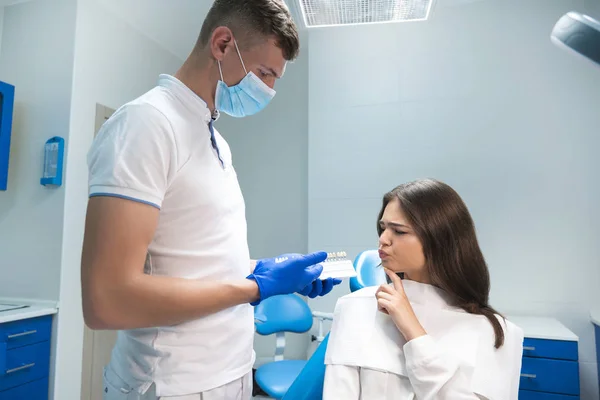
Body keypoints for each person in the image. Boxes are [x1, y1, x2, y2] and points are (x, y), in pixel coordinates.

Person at [80, 1, 341, 399]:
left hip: (228, 373)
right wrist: (255, 288)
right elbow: (106, 300)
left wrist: (269, 272)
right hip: (171, 384)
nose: (269, 91)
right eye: (265, 73)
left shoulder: (213, 138)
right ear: (222, 44)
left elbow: (196, 261)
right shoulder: (146, 124)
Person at [323, 179, 524, 399]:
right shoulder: (355, 307)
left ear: (440, 240)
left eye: (399, 232)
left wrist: (413, 332)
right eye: (383, 228)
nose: (383, 240)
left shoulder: (496, 332)